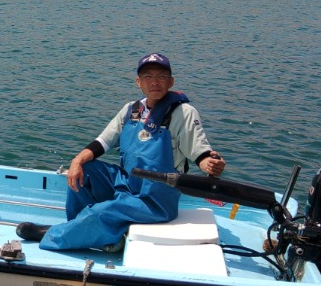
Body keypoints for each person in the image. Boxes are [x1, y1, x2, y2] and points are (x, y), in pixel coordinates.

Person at [16, 52, 226, 251]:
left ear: (171, 82)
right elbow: (102, 143)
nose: (155, 82)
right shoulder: (131, 110)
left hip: (155, 199)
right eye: (148, 76)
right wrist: (76, 161)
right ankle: (80, 229)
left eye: (162, 77)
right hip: (126, 183)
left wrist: (211, 164)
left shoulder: (183, 113)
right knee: (85, 170)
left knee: (102, 210)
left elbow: (201, 152)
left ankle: (55, 235)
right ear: (139, 82)